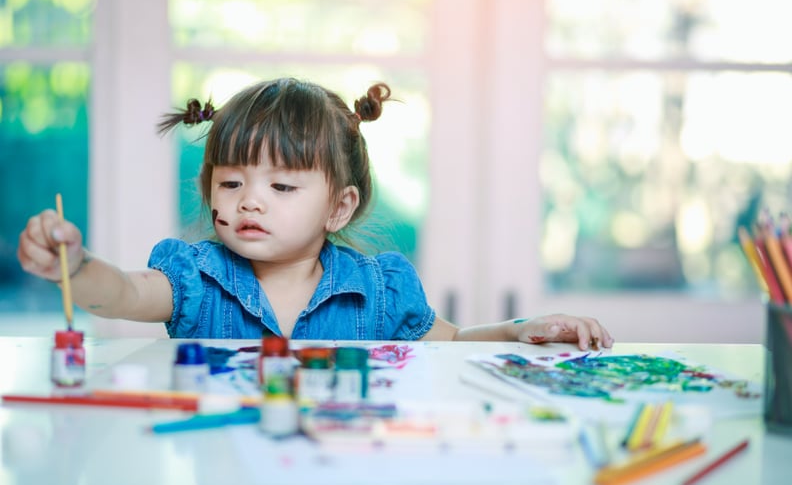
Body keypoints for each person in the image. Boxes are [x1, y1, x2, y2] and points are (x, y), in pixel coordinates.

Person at [17, 77, 613, 350]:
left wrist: (518, 330)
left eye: (281, 186)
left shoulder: (378, 290)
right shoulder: (195, 278)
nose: (249, 199)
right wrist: (77, 264)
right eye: (230, 181)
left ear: (339, 206)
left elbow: (453, 344)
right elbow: (119, 294)